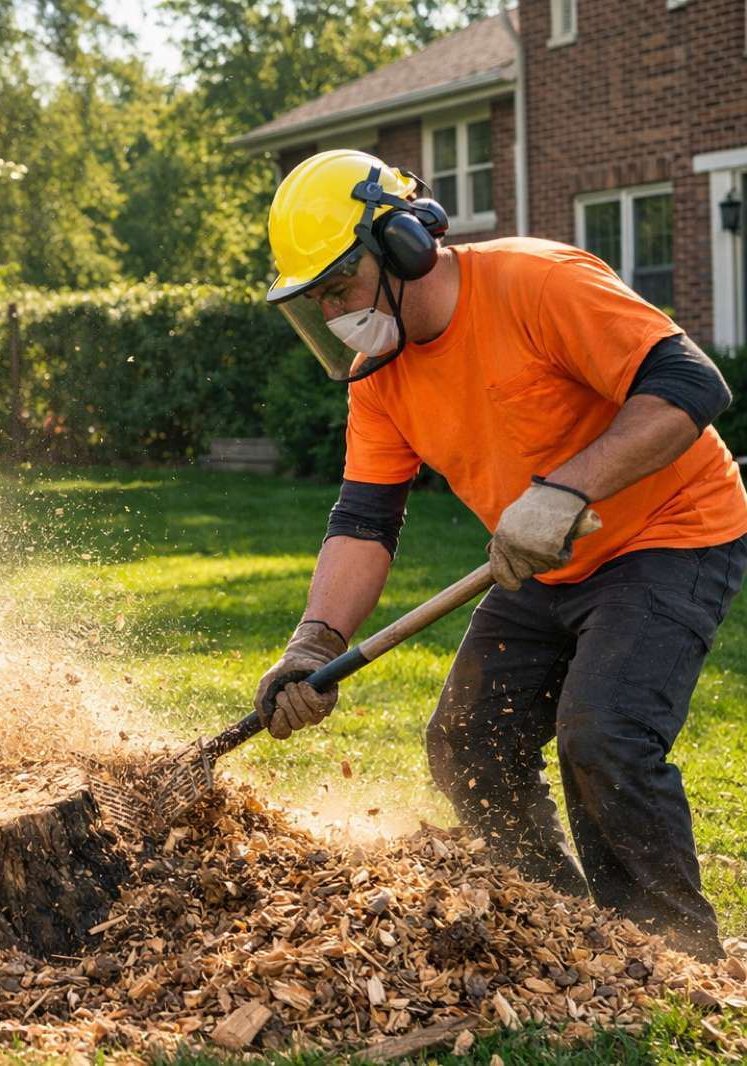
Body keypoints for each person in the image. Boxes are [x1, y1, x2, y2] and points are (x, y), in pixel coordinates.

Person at [256, 148, 747, 960]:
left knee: (604, 734)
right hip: (542, 561)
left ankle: (669, 959)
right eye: (321, 300)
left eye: (342, 287)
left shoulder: (538, 283)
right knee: (468, 740)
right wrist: (314, 642)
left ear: (404, 246)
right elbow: (364, 521)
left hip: (671, 531)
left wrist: (570, 488)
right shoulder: (378, 373)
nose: (339, 313)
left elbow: (693, 386)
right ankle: (555, 927)